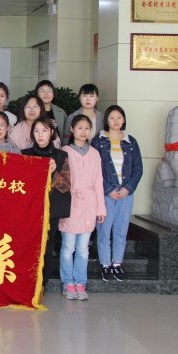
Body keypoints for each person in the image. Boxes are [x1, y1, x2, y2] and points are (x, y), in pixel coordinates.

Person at [91, 105, 143, 282]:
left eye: (119, 117)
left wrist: (128, 188)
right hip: (106, 193)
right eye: (112, 117)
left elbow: (138, 168)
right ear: (106, 120)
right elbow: (94, 169)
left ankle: (117, 264)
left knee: (121, 230)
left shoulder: (131, 141)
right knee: (104, 230)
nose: (116, 121)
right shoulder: (98, 141)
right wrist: (108, 189)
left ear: (124, 120)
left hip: (125, 193)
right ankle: (105, 264)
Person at [60, 115, 106, 301]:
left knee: (83, 248)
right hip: (71, 204)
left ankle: (80, 282)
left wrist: (101, 209)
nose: (83, 131)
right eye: (79, 127)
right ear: (72, 129)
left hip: (89, 204)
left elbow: (99, 182)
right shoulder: (64, 152)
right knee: (68, 247)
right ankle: (67, 282)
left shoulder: (94, 154)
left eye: (87, 128)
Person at [21, 117, 71, 291]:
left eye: (44, 130)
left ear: (52, 133)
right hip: (29, 210)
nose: (40, 135)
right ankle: (26, 282)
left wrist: (54, 172)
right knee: (27, 245)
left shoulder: (61, 156)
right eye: (36, 131)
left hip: (51, 209)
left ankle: (42, 284)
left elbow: (66, 186)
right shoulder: (24, 154)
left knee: (47, 247)